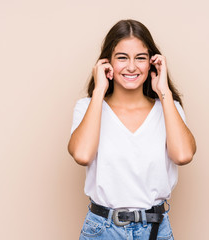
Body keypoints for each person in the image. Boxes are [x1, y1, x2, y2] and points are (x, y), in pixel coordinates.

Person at [68, 19, 196, 240]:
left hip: (155, 230)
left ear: (152, 63)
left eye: (140, 58)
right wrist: (99, 90)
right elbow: (82, 155)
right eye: (122, 58)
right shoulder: (87, 108)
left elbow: (183, 155)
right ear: (107, 63)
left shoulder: (168, 109)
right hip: (103, 230)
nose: (131, 67)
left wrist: (163, 90)